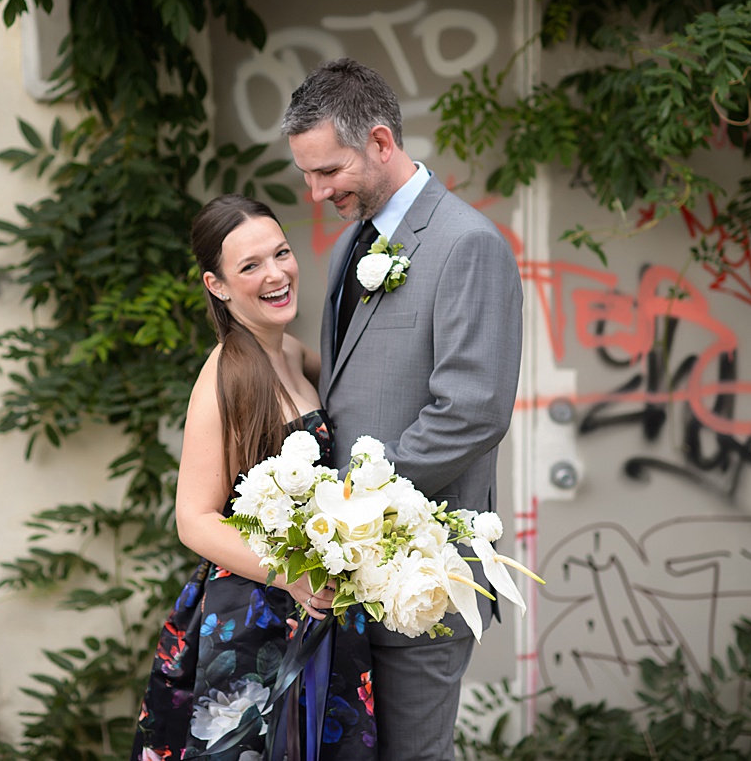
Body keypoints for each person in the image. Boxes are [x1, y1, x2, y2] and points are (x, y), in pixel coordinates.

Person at [282, 59, 523, 761]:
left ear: (381, 143)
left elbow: (473, 410)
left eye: (328, 172)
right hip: (352, 567)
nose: (316, 191)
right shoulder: (349, 247)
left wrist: (355, 506)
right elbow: (364, 386)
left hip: (420, 571)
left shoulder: (466, 244)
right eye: (307, 175)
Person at [131, 194, 379, 761]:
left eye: (282, 253)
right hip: (255, 619)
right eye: (250, 266)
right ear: (217, 285)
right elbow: (193, 519)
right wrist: (290, 573)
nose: (276, 274)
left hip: (316, 607)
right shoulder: (226, 375)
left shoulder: (291, 353)